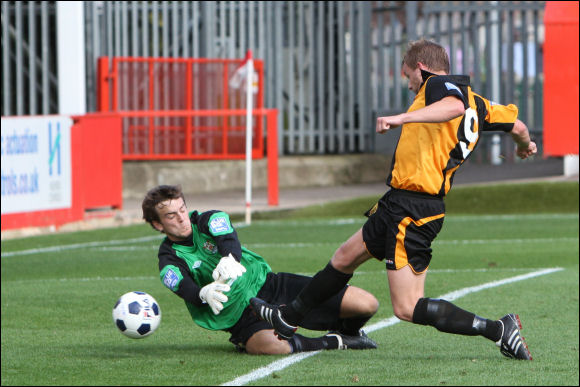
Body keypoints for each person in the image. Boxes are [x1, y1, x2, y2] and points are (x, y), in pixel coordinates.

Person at [250, 38, 536, 360]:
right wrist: (523, 145)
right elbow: (519, 126)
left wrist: (400, 118)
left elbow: (453, 107)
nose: (409, 84)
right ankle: (289, 318)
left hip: (415, 209)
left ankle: (499, 329)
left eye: (407, 76)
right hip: (398, 201)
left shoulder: (437, 85)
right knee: (344, 257)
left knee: (407, 307)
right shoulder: (480, 104)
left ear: (421, 67)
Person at [141, 184, 379, 355]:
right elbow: (184, 287)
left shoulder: (207, 219)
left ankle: (347, 330)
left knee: (367, 304)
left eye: (182, 209)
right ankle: (334, 341)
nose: (182, 218)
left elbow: (227, 237)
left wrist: (230, 258)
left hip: (271, 285)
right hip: (241, 316)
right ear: (157, 224)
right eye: (171, 216)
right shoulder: (168, 261)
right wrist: (202, 294)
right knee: (274, 347)